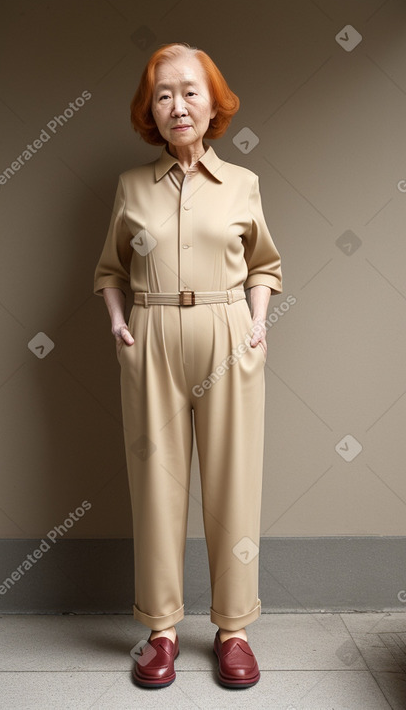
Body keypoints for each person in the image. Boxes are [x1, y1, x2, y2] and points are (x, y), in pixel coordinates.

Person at [93, 42, 282, 690]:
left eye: (190, 91)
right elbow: (110, 270)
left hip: (229, 333)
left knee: (234, 484)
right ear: (152, 108)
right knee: (156, 487)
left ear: (214, 103)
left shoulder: (243, 184)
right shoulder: (130, 186)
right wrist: (120, 324)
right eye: (164, 93)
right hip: (150, 336)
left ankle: (233, 630)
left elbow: (264, 265)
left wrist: (257, 323)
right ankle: (162, 630)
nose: (178, 104)